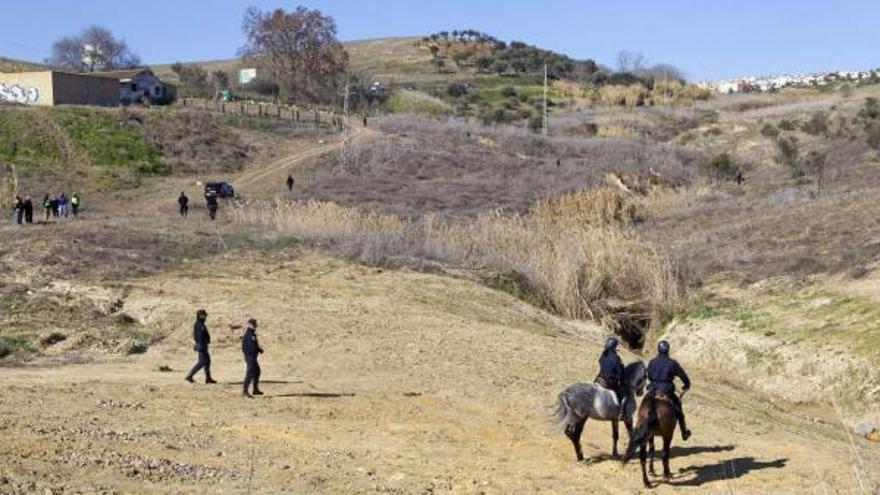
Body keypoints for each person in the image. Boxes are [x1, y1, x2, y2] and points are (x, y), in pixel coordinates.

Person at [646, 340, 692, 441]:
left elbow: (649, 376)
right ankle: (684, 432)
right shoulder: (672, 363)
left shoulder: (652, 362)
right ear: (668, 350)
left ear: (658, 350)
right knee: (679, 410)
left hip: (653, 390)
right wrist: (687, 384)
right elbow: (683, 375)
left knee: (644, 405)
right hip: (667, 391)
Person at [596, 336, 627, 420]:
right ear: (614, 346)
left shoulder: (603, 354)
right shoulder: (616, 358)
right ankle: (621, 414)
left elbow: (601, 364)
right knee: (624, 396)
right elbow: (620, 372)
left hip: (599, 379)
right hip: (609, 382)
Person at [185, 309, 216, 384]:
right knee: (202, 362)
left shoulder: (200, 324)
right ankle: (189, 376)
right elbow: (199, 337)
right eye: (204, 315)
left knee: (207, 361)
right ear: (200, 316)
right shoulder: (199, 324)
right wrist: (200, 345)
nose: (206, 316)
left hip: (203, 345)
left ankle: (208, 378)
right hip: (202, 346)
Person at [241, 318, 264, 398]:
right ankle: (244, 391)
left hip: (252, 357)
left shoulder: (252, 334)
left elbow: (254, 345)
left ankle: (255, 389)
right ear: (250, 325)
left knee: (257, 371)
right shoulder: (248, 335)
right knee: (250, 373)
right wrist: (252, 353)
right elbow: (245, 347)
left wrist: (259, 349)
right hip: (250, 357)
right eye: (254, 325)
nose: (255, 327)